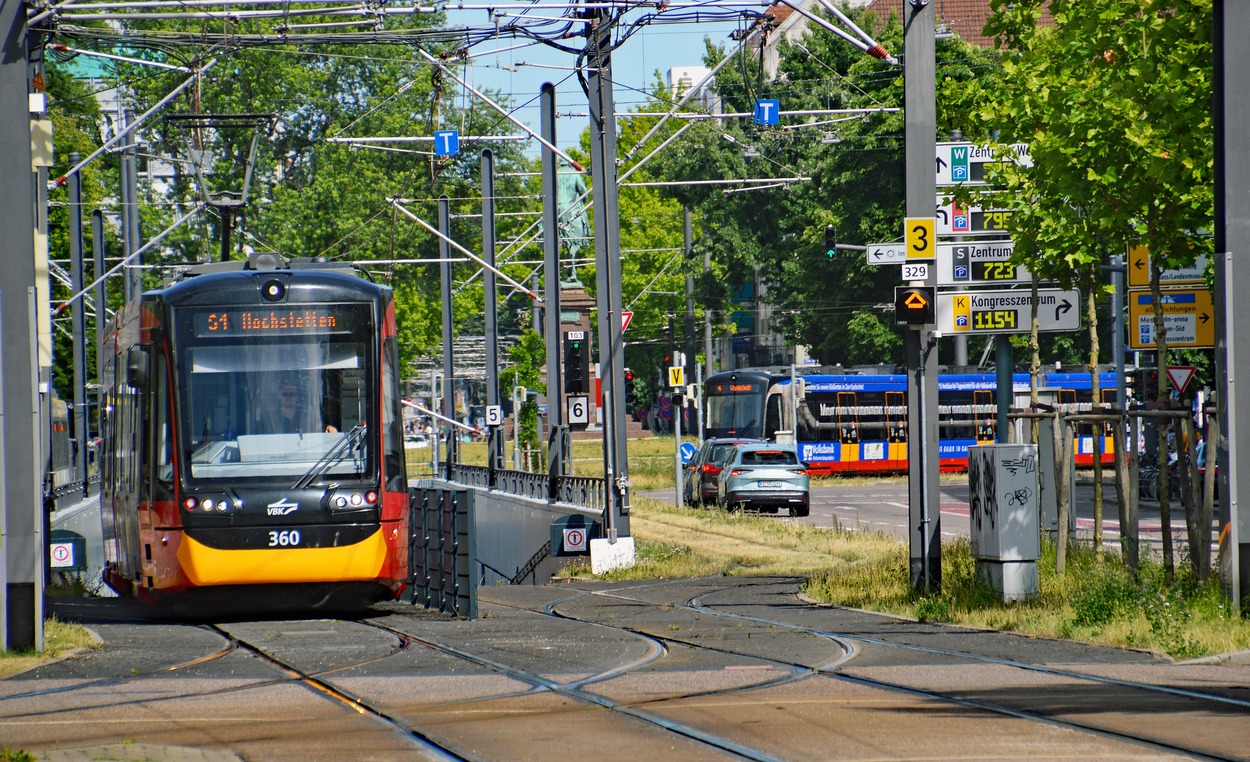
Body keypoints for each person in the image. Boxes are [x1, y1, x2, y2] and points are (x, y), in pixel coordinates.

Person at [265, 379, 337, 434]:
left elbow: (316, 425)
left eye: (292, 394)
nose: (288, 398)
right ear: (279, 397)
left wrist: (327, 427)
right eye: (285, 394)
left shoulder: (304, 417)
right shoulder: (271, 417)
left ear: (297, 397)